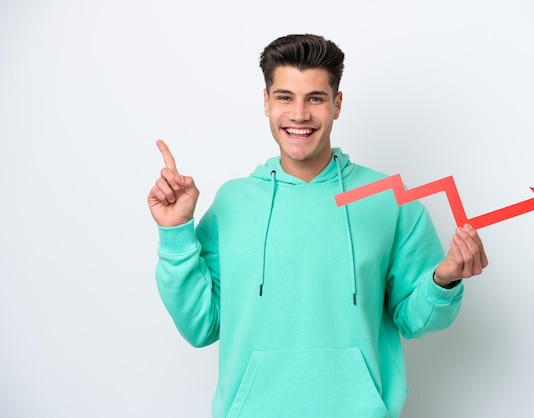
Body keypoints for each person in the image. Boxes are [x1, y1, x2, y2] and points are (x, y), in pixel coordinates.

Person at [148, 34, 488, 418]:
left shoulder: (387, 199)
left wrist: (443, 281)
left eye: (315, 98)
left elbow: (414, 320)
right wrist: (176, 232)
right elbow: (201, 325)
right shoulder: (232, 204)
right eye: (284, 97)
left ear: (337, 104)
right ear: (266, 102)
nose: (299, 114)